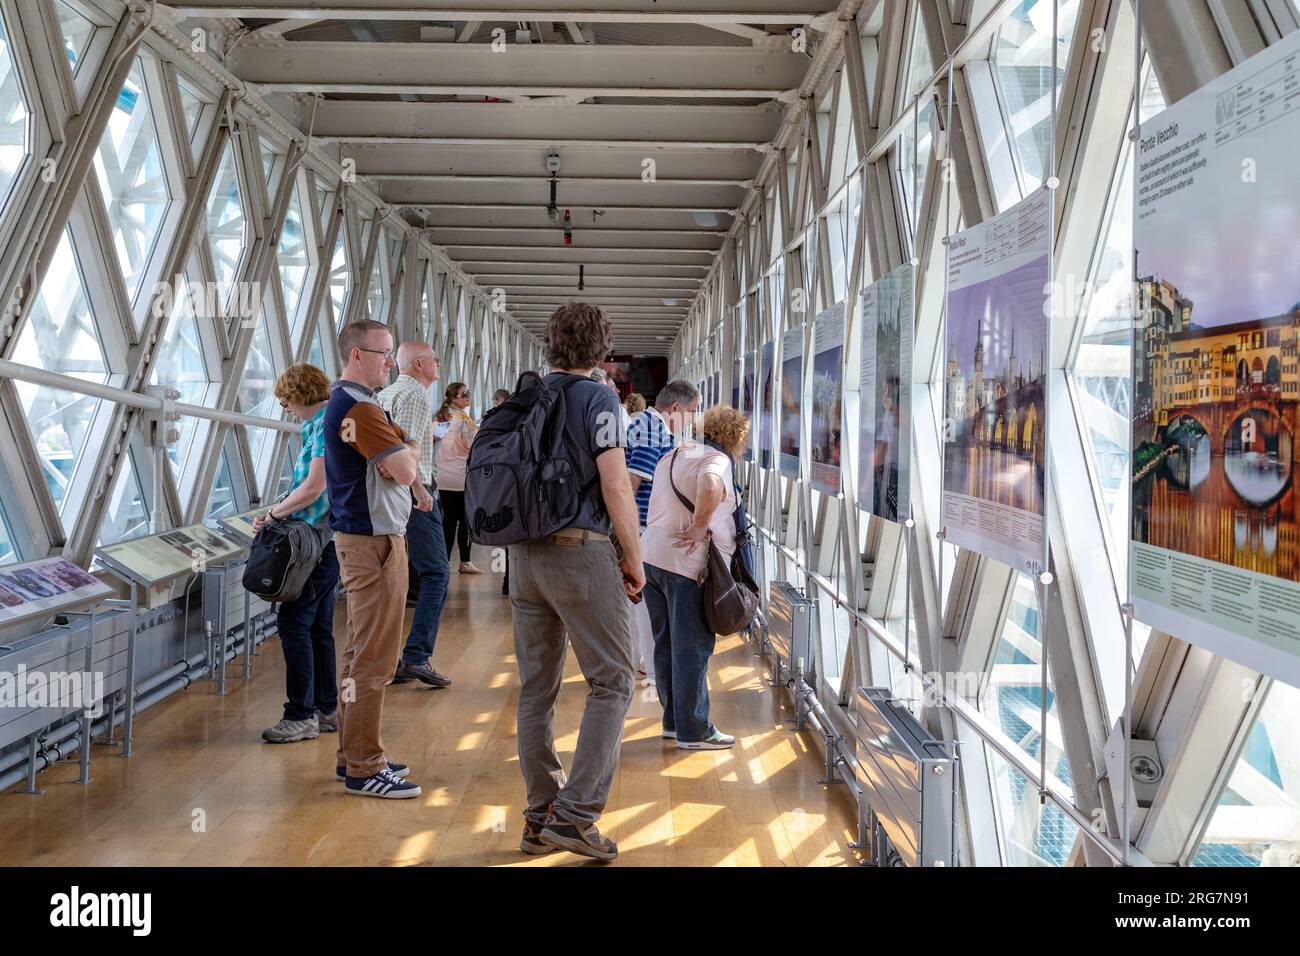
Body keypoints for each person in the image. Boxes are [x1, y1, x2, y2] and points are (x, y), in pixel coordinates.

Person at [510, 302, 643, 862]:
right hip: (579, 554)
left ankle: (541, 812)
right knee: (613, 682)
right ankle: (576, 814)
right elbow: (615, 487)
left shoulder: (527, 397)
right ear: (601, 349)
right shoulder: (600, 398)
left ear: (550, 343)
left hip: (523, 557)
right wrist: (633, 558)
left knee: (536, 688)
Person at [324, 320, 434, 799]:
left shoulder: (353, 405)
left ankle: (354, 752)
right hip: (375, 544)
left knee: (358, 652)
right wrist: (405, 452)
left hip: (364, 540)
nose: (390, 362)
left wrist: (401, 458)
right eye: (383, 353)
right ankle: (365, 767)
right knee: (374, 658)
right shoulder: (361, 407)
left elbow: (401, 468)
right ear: (356, 355)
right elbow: (404, 466)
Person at [641, 404, 749, 751]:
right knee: (693, 648)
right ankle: (695, 730)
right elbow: (711, 484)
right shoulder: (716, 460)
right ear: (734, 436)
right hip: (685, 564)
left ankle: (674, 720)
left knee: (667, 642)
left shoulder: (675, 453)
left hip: (653, 557)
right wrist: (699, 526)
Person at [258, 363, 339, 744]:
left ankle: (300, 715)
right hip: (327, 543)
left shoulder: (323, 424)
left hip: (314, 545)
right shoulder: (318, 423)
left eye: (285, 400)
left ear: (298, 395)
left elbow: (314, 487)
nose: (284, 408)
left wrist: (274, 513)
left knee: (293, 625)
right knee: (319, 627)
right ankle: (326, 708)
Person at [379, 342, 452, 689]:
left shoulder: (387, 393)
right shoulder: (416, 397)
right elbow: (401, 453)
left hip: (391, 502)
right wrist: (420, 491)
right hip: (413, 498)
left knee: (398, 579)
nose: (438, 364)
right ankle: (416, 656)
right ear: (420, 363)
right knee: (437, 573)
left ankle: (390, 658)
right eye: (435, 359)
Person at [624, 381, 701, 685]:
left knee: (637, 603)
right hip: (642, 526)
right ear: (676, 409)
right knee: (646, 605)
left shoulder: (647, 425)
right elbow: (631, 483)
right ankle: (654, 671)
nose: (694, 419)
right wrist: (627, 535)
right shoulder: (652, 431)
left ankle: (639, 664)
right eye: (692, 412)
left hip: (642, 527)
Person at [434, 382, 482, 574]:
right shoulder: (464, 420)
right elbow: (475, 446)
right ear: (454, 398)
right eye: (465, 394)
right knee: (466, 521)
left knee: (448, 521)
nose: (468, 397)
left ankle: (444, 561)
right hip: (462, 477)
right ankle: (465, 561)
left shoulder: (440, 418)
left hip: (444, 477)